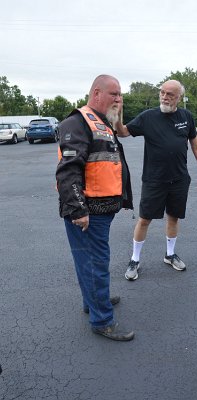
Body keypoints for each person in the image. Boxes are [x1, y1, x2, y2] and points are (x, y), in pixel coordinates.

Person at [56, 74, 135, 341]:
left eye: (120, 94)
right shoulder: (77, 122)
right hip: (88, 212)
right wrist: (78, 210)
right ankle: (102, 320)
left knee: (88, 261)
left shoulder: (102, 122)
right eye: (114, 94)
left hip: (101, 210)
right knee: (96, 263)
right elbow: (68, 171)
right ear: (96, 93)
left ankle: (93, 302)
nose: (118, 99)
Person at [115, 79, 197, 281]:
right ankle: (135, 259)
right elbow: (123, 132)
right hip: (154, 180)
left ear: (179, 97)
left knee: (173, 217)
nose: (164, 96)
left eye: (170, 94)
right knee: (145, 219)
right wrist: (118, 115)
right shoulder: (148, 117)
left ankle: (170, 255)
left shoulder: (186, 116)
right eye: (162, 92)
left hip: (179, 179)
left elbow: (196, 147)